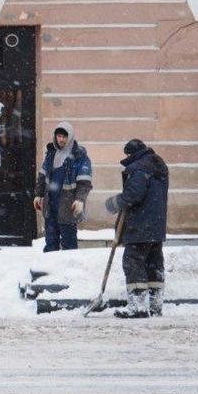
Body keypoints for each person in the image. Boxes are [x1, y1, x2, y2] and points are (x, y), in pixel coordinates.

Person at [105, 139, 170, 319]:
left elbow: (134, 194)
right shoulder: (159, 166)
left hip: (140, 225)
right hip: (156, 226)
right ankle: (155, 306)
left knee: (133, 261)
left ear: (130, 154)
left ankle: (139, 307)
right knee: (153, 264)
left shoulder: (138, 168)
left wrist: (114, 203)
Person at [34, 121, 92, 251]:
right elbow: (42, 176)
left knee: (69, 245)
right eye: (59, 136)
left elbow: (84, 183)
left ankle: (69, 271)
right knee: (50, 243)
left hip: (67, 207)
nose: (61, 139)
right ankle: (49, 269)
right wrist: (38, 194)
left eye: (64, 137)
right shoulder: (51, 154)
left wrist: (80, 199)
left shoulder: (79, 157)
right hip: (51, 207)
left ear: (70, 137)